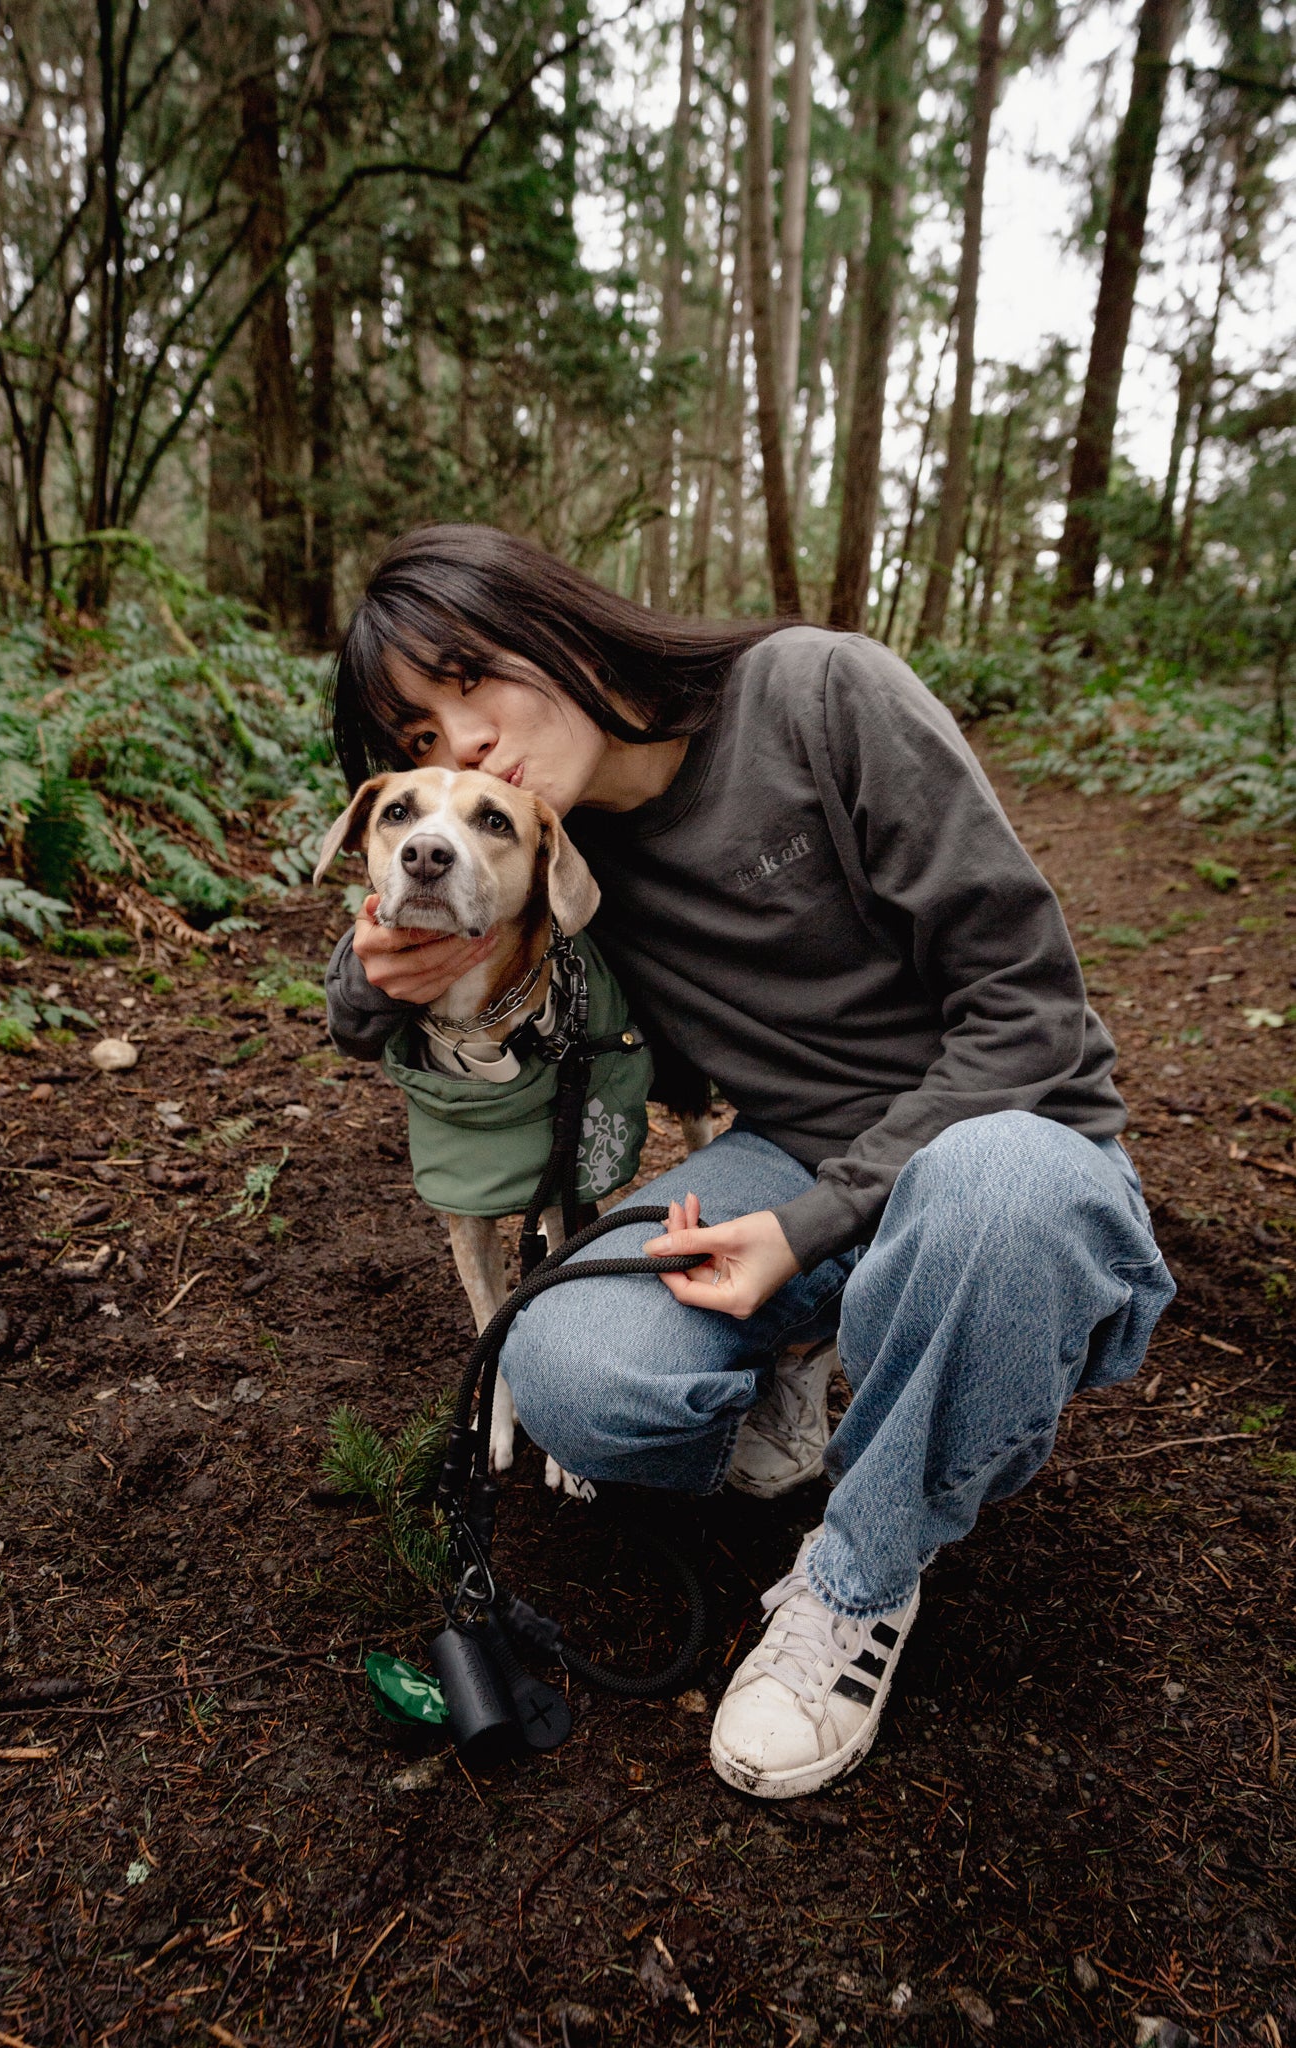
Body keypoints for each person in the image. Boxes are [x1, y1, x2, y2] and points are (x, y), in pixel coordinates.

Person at [323, 523, 1175, 1801]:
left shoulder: (822, 693)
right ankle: (833, 1373)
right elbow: (390, 993)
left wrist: (819, 1221)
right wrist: (375, 965)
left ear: (556, 617)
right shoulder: (553, 863)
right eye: (418, 740)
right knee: (568, 1362)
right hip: (789, 1161)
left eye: (470, 674)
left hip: (1012, 1141)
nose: (465, 743)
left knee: (998, 1196)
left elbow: (1031, 1013)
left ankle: (858, 1575)